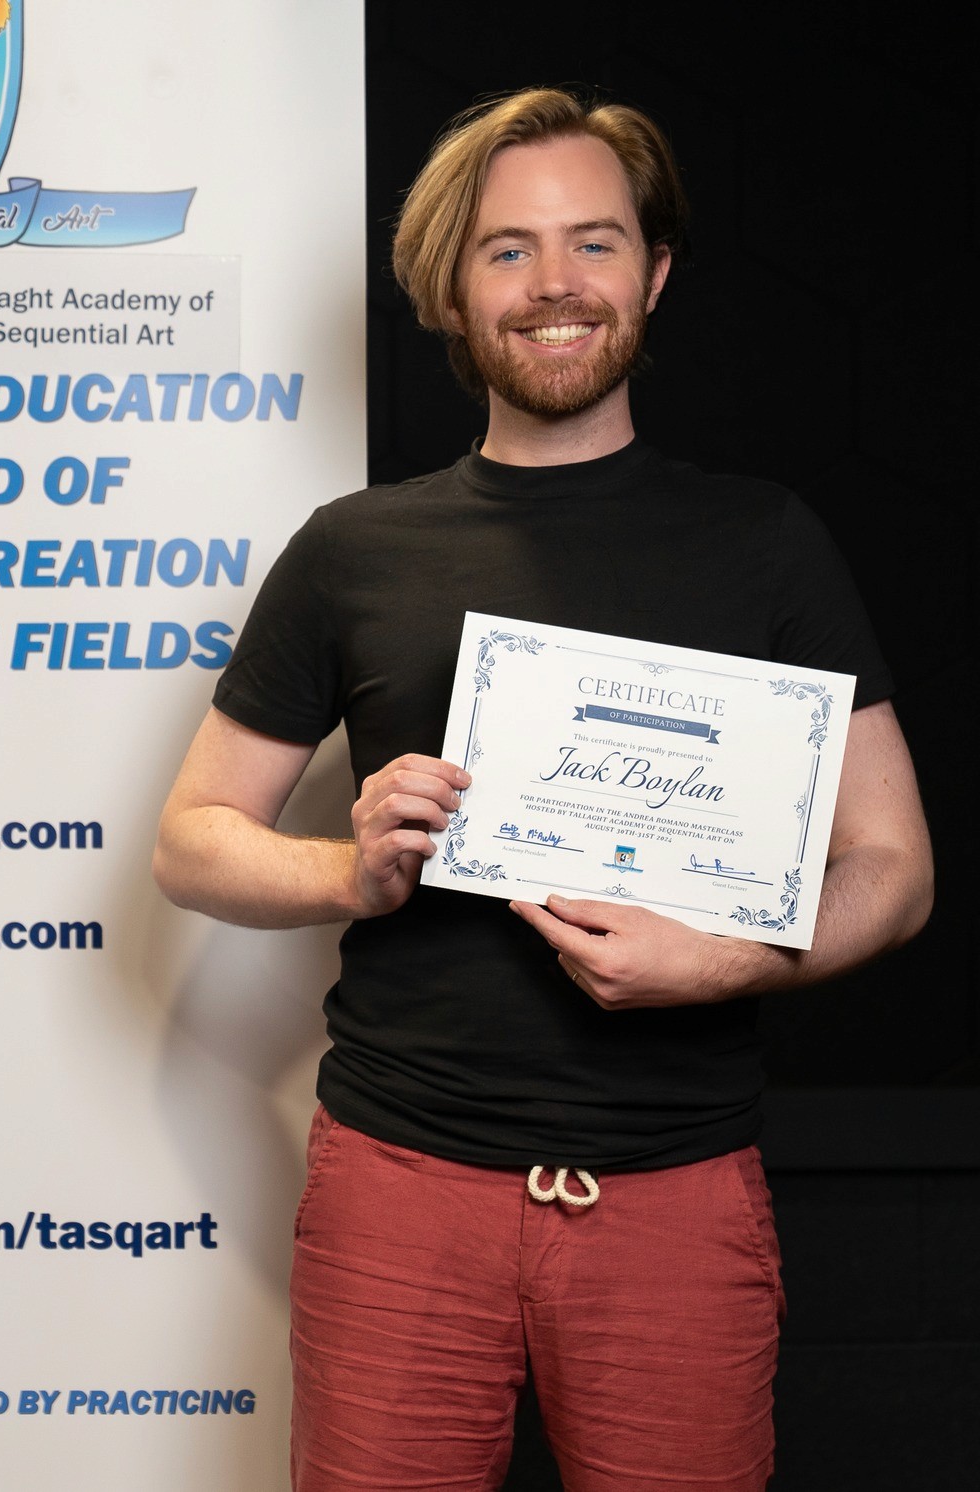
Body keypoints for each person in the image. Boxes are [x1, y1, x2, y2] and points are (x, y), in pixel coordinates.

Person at [153, 89, 933, 1490]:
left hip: (675, 1198)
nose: (555, 284)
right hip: (399, 1194)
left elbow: (892, 867)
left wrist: (725, 960)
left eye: (594, 243)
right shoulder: (352, 550)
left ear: (655, 273)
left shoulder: (766, 544)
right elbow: (191, 841)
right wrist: (349, 868)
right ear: (454, 292)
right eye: (507, 249)